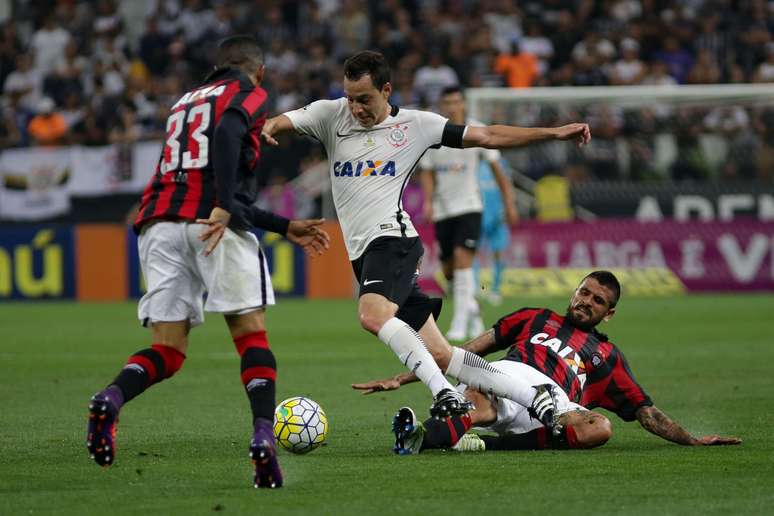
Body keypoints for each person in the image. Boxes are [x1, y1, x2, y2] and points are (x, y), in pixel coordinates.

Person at [260, 50, 591, 423]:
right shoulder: (330, 114)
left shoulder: (418, 125)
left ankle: (446, 394)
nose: (355, 108)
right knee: (439, 354)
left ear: (387, 90)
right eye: (350, 98)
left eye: (365, 99)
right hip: (362, 251)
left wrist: (554, 133)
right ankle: (535, 394)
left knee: (372, 315)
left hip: (392, 240)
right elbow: (280, 121)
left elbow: (488, 135)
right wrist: (269, 127)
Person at [85, 36, 330, 489]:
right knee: (249, 335)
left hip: (158, 222)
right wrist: (223, 200)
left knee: (169, 350)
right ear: (258, 71)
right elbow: (227, 140)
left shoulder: (184, 101)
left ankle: (111, 398)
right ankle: (262, 437)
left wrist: (280, 224)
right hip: (211, 224)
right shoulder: (247, 95)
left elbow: (204, 175)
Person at [353, 271, 741, 453]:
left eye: (597, 301)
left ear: (609, 314)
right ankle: (421, 437)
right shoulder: (534, 317)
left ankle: (490, 446)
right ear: (574, 292)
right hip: (506, 379)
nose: (586, 302)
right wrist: (403, 377)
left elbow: (646, 413)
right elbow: (462, 351)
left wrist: (691, 439)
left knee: (600, 428)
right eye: (584, 292)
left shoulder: (607, 357)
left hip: (556, 405)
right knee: (477, 396)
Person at [418, 86, 517, 340]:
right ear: (442, 105)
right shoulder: (434, 134)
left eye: (456, 101)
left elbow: (497, 169)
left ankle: (459, 322)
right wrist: (428, 202)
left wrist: (509, 202)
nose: (452, 106)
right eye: (447, 102)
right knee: (449, 270)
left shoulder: (476, 130)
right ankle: (472, 308)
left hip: (470, 205)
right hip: (443, 210)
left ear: (463, 104)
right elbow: (427, 172)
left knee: (464, 259)